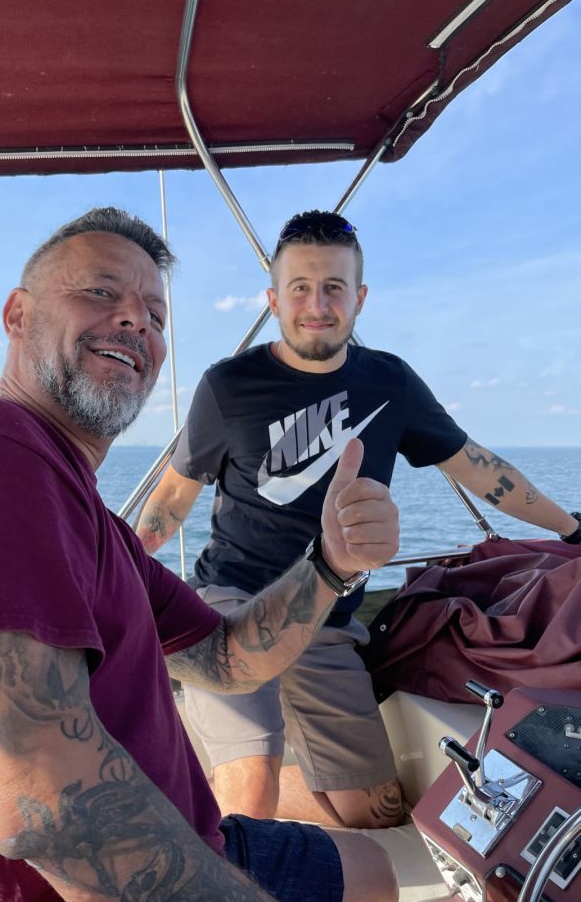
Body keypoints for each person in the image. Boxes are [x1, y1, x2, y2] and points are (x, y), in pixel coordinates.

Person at [0, 208, 525, 902]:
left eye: (154, 314)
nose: (136, 323)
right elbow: (50, 813)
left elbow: (226, 657)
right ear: (17, 315)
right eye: (100, 293)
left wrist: (330, 566)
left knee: (370, 877)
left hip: (176, 854)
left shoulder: (90, 524)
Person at [136, 210, 581, 829]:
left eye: (334, 288)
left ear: (360, 298)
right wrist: (118, 574)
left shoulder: (389, 382)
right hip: (233, 607)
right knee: (252, 787)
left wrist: (572, 529)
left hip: (327, 617)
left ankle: (209, 798)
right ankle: (232, 804)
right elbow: (172, 497)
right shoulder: (228, 386)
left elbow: (479, 468)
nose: (317, 305)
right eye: (299, 288)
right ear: (273, 300)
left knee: (378, 813)